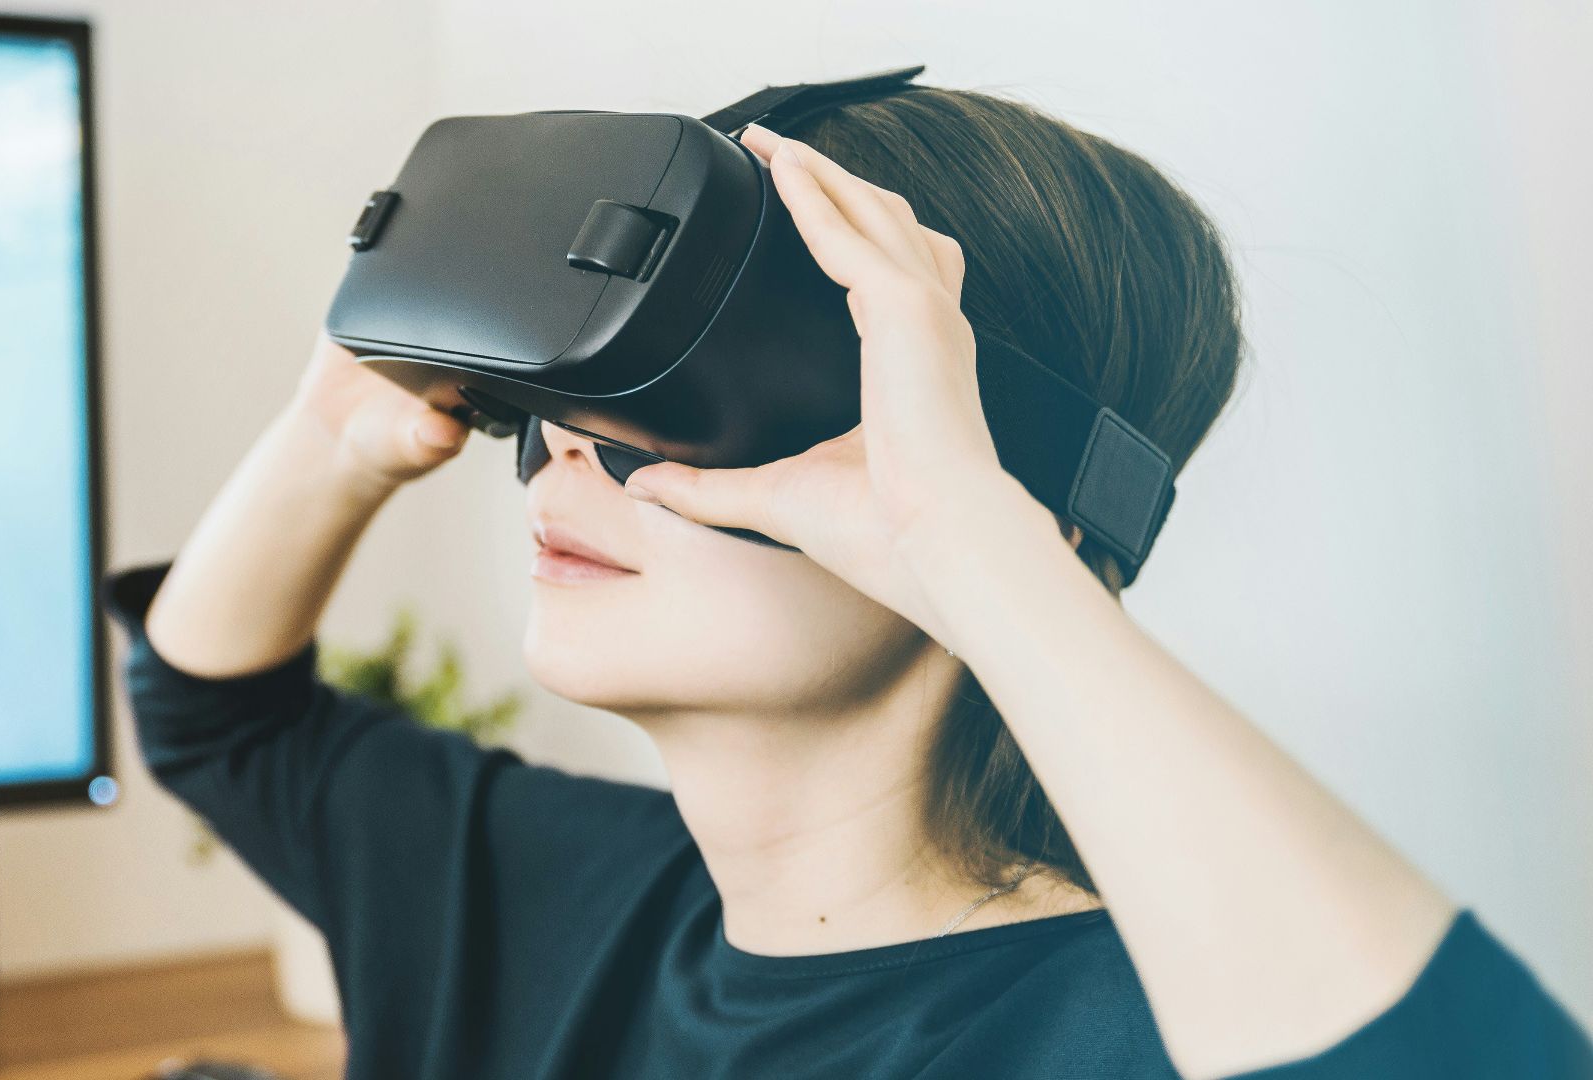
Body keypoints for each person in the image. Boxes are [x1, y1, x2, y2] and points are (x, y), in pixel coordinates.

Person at [104, 87, 1593, 1078]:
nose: (575, 443)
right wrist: (334, 436)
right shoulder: (544, 891)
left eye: (688, 393)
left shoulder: (1122, 1033)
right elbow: (217, 721)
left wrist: (981, 547)